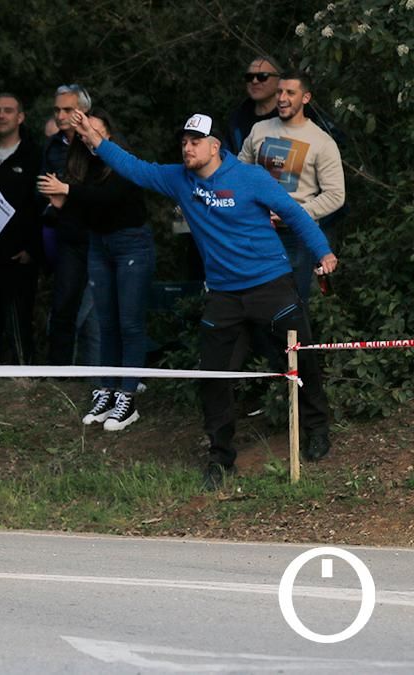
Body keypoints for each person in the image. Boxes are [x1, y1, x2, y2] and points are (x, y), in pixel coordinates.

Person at [72, 110, 338, 489]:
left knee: (300, 361)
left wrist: (322, 253)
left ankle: (316, 429)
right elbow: (133, 167)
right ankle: (220, 455)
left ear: (216, 147)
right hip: (224, 294)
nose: (187, 148)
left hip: (270, 285)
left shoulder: (249, 177)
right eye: (184, 142)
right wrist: (96, 142)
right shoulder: (179, 179)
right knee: (212, 375)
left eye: (195, 142)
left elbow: (294, 214)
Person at [38, 109, 154, 430]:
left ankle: (128, 396)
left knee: (129, 323)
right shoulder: (79, 167)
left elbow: (112, 198)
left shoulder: (124, 162)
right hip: (98, 246)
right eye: (84, 131)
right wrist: (63, 203)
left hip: (131, 244)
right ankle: (108, 389)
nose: (88, 135)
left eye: (95, 130)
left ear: (109, 136)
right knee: (106, 323)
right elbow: (83, 215)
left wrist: (68, 194)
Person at [238, 72, 345, 302]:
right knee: (253, 304)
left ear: (305, 98)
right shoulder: (259, 130)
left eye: (290, 93)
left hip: (295, 236)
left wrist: (294, 212)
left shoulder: (321, 141)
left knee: (291, 307)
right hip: (254, 231)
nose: (282, 98)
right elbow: (237, 175)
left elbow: (336, 195)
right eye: (279, 91)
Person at [0, 93, 41, 365]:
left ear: (20, 117)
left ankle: (24, 373)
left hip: (19, 253)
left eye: (8, 110)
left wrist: (33, 248)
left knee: (20, 318)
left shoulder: (34, 154)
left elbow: (40, 205)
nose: (1, 115)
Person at [42, 84, 95, 366]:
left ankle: (107, 370)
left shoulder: (97, 142)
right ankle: (60, 371)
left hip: (98, 232)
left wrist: (66, 192)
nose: (61, 116)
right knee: (63, 302)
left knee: (99, 307)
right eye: (57, 110)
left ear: (84, 111)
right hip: (66, 234)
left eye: (67, 109)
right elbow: (45, 185)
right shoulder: (52, 145)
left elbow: (102, 189)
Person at [225, 56, 281, 155]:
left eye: (262, 76)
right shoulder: (237, 119)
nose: (254, 81)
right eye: (249, 77)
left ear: (279, 80)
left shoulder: (293, 118)